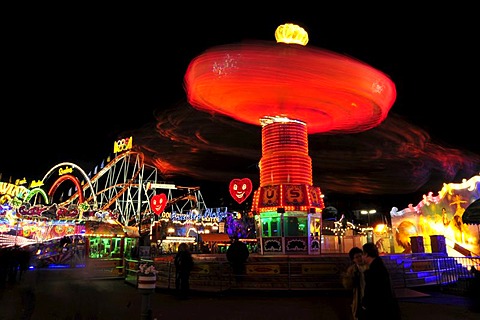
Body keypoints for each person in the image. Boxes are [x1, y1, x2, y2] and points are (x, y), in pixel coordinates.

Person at [361, 242, 401, 320]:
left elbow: (372, 289)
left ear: (366, 254)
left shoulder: (374, 269)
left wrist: (366, 302)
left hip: (379, 306)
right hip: (383, 305)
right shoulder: (378, 265)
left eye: (362, 254)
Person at [342, 247, 367, 320]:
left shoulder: (369, 267)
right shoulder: (352, 270)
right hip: (358, 295)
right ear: (353, 260)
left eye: (360, 256)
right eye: (356, 257)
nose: (359, 258)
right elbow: (348, 285)